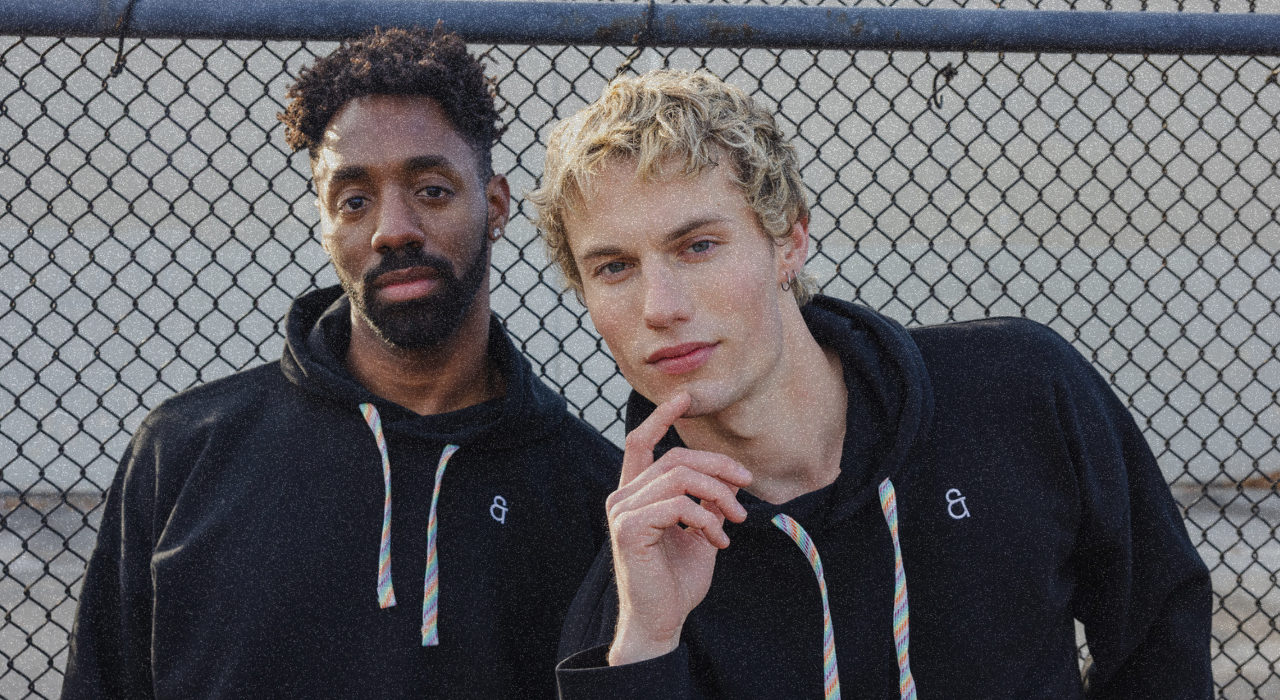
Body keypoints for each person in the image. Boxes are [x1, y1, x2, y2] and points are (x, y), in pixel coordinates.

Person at [530, 69, 1211, 699]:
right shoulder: (636, 583)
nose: (659, 307)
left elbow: (1161, 629)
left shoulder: (1018, 387)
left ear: (789, 242)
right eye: (614, 268)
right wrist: (646, 647)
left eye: (698, 246)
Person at [61, 26, 620, 700]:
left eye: (432, 190)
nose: (392, 229)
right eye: (354, 201)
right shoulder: (184, 452)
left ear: (494, 205)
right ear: (325, 223)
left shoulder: (596, 497)